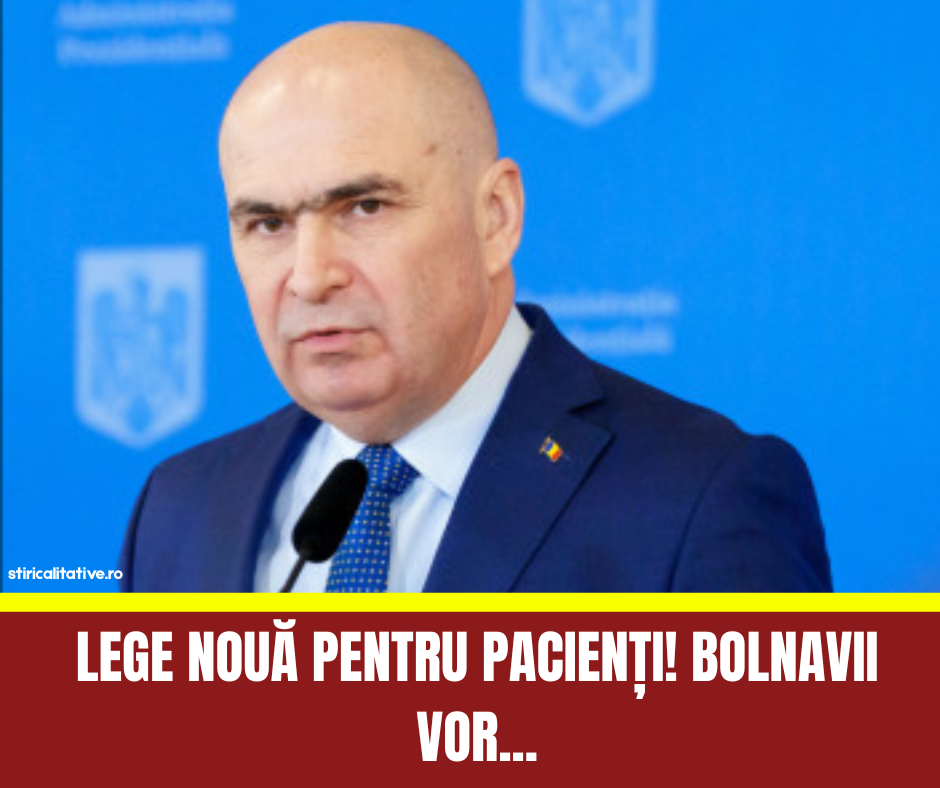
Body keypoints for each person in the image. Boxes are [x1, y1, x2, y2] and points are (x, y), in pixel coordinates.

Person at [119, 22, 831, 592]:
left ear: (496, 217)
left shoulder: (699, 498)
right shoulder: (179, 507)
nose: (310, 277)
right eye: (268, 223)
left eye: (365, 207)